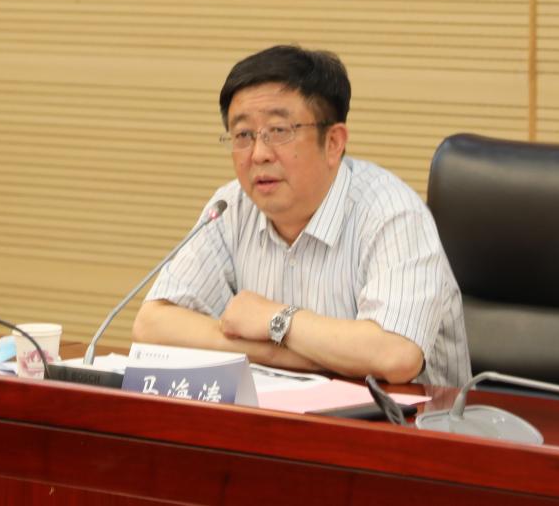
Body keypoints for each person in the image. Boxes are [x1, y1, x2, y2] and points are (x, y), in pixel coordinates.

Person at [132, 45, 470, 387]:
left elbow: (396, 355)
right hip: (277, 414)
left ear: (334, 142)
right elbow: (152, 325)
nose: (259, 154)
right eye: (244, 135)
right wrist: (283, 353)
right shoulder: (230, 208)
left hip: (405, 418)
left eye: (279, 131)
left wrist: (275, 319)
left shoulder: (392, 213)